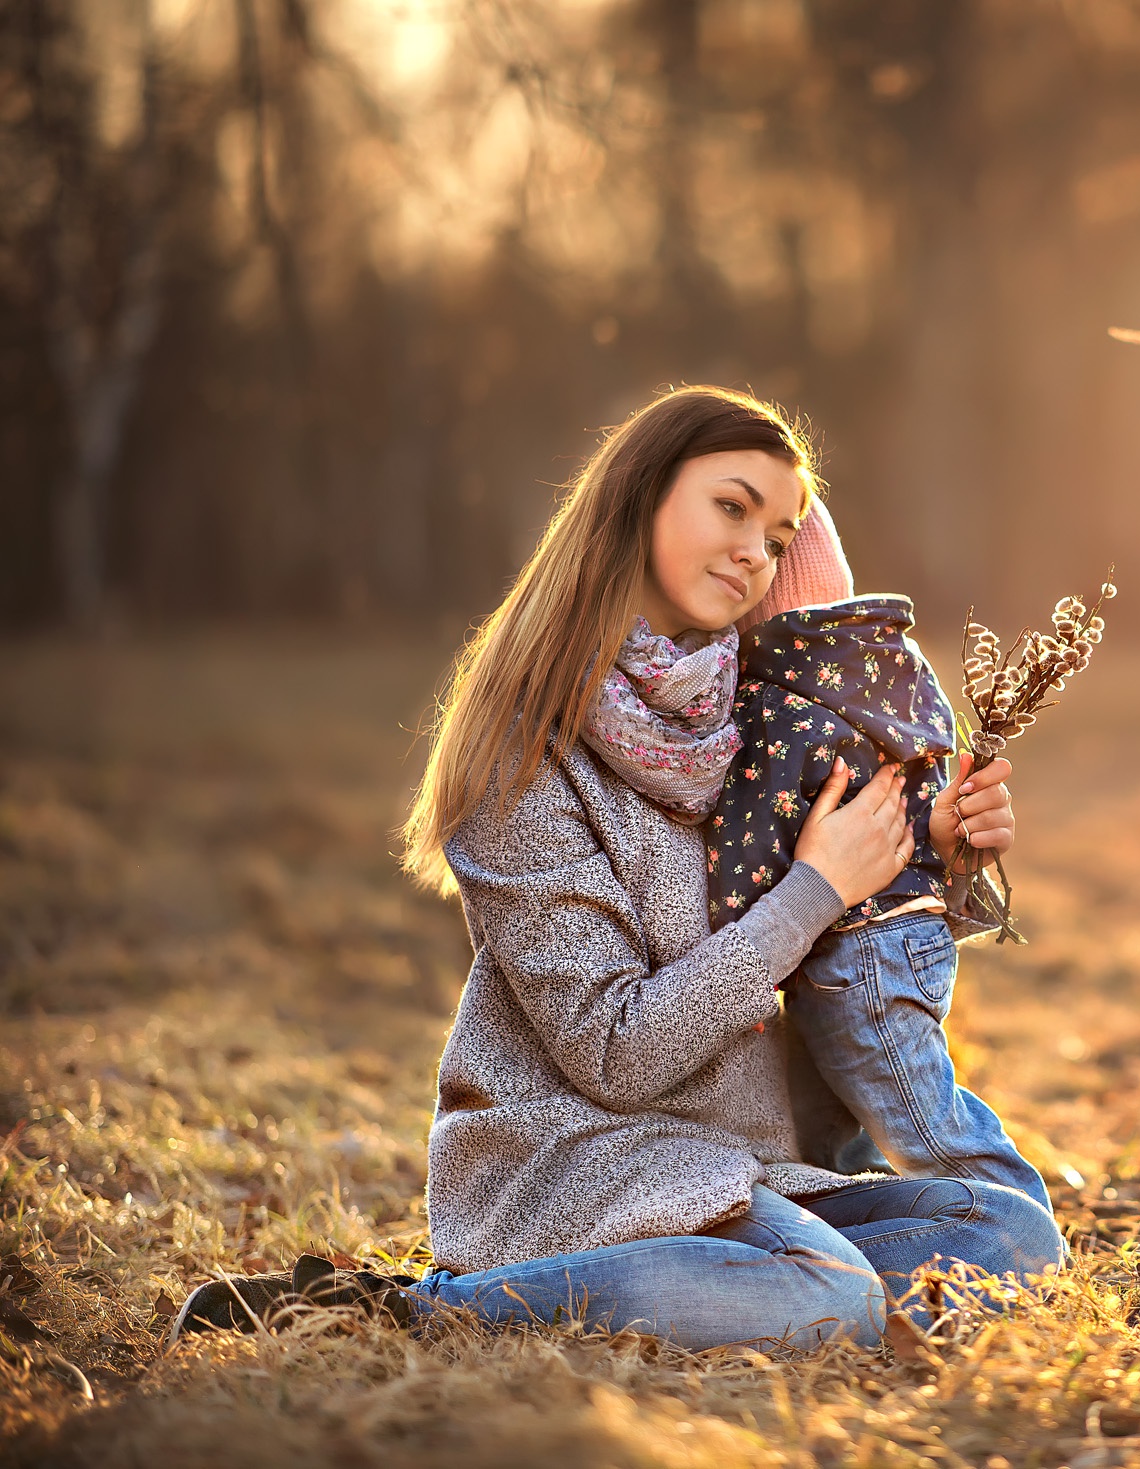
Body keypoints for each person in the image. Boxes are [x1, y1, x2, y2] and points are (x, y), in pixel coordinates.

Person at [167, 387, 1063, 1352]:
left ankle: (730, 1295)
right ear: (639, 497)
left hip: (745, 1166)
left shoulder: (757, 719)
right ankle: (409, 1312)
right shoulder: (521, 751)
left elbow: (833, 948)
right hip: (576, 1158)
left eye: (776, 533)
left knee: (1007, 1232)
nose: (754, 553)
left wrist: (934, 852)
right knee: (829, 1294)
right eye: (732, 507)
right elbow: (613, 1049)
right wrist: (816, 890)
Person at [705, 511, 1052, 1209]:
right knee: (832, 1121)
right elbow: (925, 791)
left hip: (853, 952)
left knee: (931, 1126)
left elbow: (749, 841)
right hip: (910, 935)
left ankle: (1019, 1228)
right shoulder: (892, 666)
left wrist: (722, 930)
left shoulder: (776, 701)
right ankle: (884, 1219)